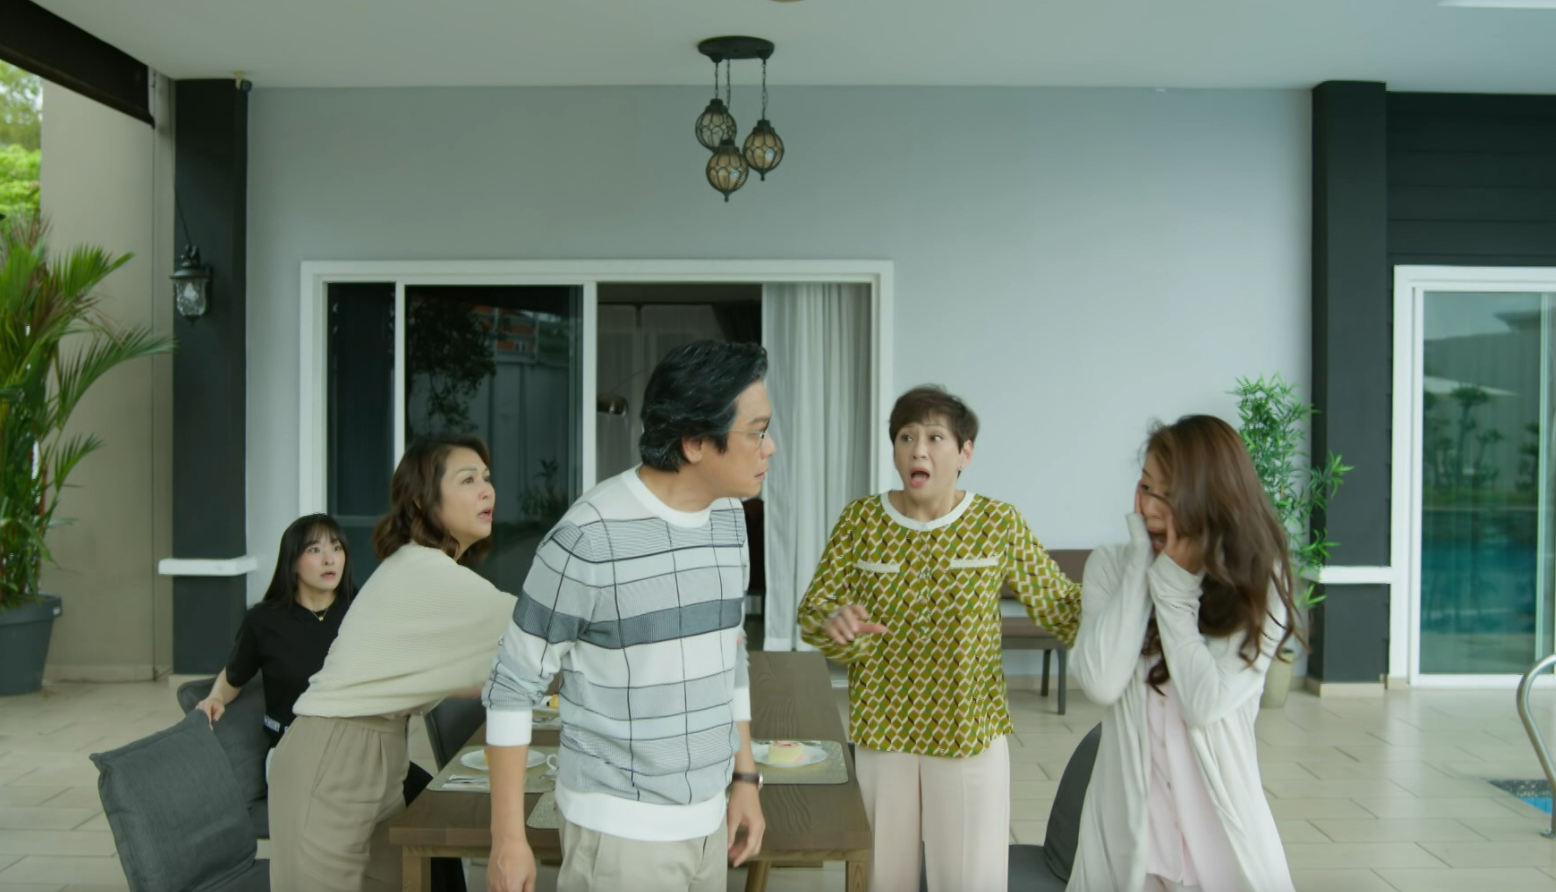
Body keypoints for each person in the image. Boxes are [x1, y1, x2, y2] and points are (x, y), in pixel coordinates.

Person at [483, 340, 771, 892]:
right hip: (619, 838)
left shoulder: (730, 519)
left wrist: (744, 776)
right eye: (757, 432)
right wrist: (508, 839)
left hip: (710, 823)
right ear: (694, 442)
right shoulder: (588, 537)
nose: (770, 447)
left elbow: (728, 650)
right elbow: (511, 687)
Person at [796, 385, 1082, 892]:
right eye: (906, 437)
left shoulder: (998, 522)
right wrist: (835, 624)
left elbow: (1062, 607)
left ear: (965, 452)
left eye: (934, 437)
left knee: (971, 879)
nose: (918, 451)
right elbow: (814, 612)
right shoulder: (860, 521)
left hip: (969, 732)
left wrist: (1131, 604)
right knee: (882, 877)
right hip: (884, 729)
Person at [267, 435, 517, 892]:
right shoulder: (423, 571)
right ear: (421, 500)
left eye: (487, 478)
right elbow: (536, 629)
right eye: (468, 480)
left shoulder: (423, 568)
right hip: (332, 758)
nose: (487, 490)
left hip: (378, 755)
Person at [1069, 415, 1297, 892]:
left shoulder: (1258, 585)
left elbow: (1204, 702)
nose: (1152, 509)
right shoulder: (1110, 566)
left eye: (1170, 495)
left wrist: (1174, 587)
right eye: (1146, 487)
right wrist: (1140, 563)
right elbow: (1100, 681)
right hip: (1130, 851)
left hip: (1221, 851)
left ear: (1213, 500)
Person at [194, 513, 355, 748]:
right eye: (315, 550)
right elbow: (234, 675)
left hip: (355, 742)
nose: (329, 560)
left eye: (337, 548)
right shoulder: (263, 620)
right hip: (292, 746)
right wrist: (215, 697)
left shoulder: (362, 610)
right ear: (292, 561)